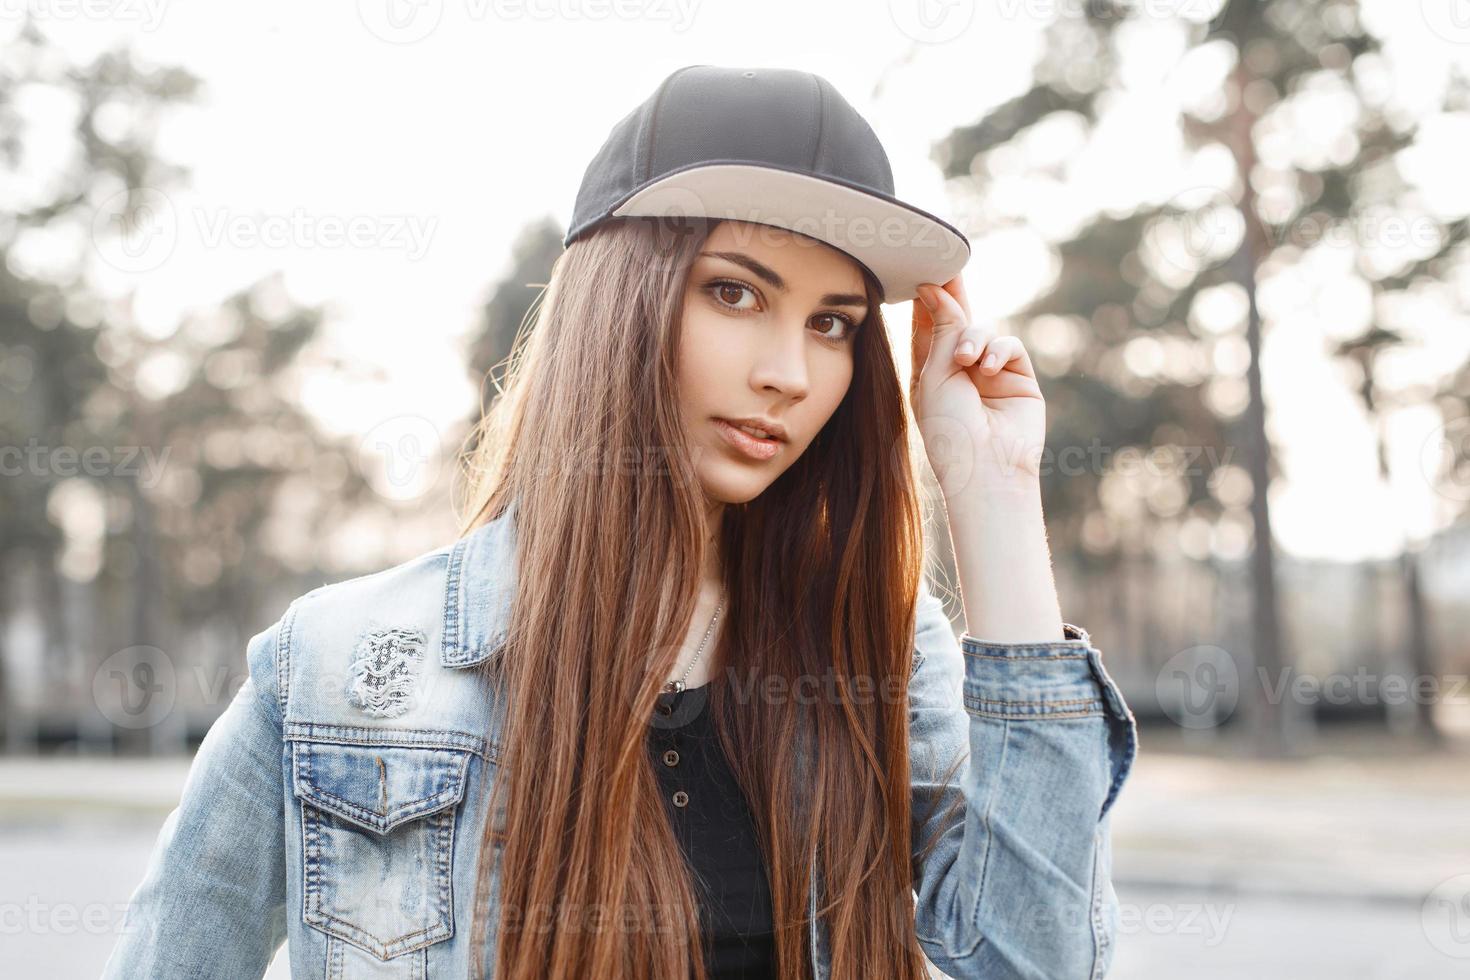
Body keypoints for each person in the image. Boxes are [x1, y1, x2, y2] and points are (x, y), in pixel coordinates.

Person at [101, 64, 1138, 980]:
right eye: (735, 293)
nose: (788, 370)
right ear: (621, 300)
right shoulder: (333, 670)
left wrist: (993, 491)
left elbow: (1037, 959)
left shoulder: (876, 651)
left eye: (833, 323)